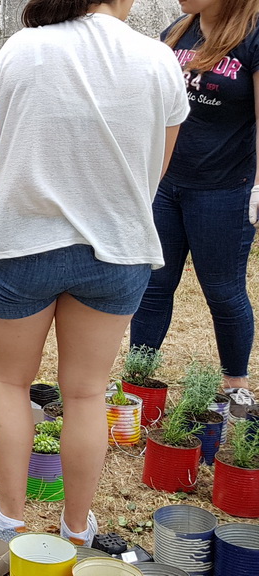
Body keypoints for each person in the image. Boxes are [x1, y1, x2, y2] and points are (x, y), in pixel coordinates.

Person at [0, 0, 189, 546]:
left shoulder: (22, 48)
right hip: (117, 248)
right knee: (87, 394)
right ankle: (76, 530)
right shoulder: (159, 60)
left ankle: (8, 520)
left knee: (10, 382)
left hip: (22, 242)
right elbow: (155, 168)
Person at [130, 1, 259, 394]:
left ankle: (235, 385)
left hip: (225, 188)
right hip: (166, 186)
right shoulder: (178, 31)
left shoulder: (252, 36)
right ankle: (138, 382)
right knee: (154, 283)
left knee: (222, 289)